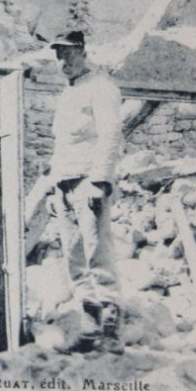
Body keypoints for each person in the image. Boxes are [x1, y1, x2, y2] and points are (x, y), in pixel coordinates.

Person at [48, 29, 123, 353]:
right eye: (58, 55)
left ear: (82, 50)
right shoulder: (69, 92)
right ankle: (90, 329)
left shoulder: (101, 87)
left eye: (68, 53)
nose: (63, 61)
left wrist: (100, 180)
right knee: (74, 259)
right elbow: (63, 143)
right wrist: (55, 185)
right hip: (65, 185)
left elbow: (110, 136)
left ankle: (112, 334)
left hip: (88, 184)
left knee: (98, 257)